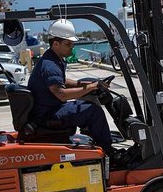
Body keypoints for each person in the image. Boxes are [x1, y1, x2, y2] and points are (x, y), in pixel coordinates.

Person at [27, 19, 116, 156]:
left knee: (88, 100)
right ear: (56, 43)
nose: (72, 47)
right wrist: (92, 86)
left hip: (48, 109)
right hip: (48, 114)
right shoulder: (50, 65)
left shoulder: (52, 59)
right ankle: (109, 152)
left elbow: (62, 81)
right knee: (94, 111)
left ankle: (95, 140)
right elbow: (61, 94)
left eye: (72, 44)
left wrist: (88, 84)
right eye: (68, 44)